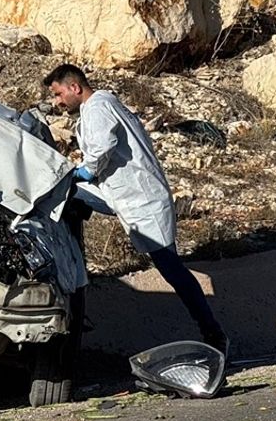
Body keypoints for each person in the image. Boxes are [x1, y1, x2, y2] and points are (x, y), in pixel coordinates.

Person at [42, 63, 230, 360]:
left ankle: (213, 333)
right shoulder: (102, 105)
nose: (58, 102)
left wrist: (84, 172)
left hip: (143, 200)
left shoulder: (98, 107)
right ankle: (75, 279)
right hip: (123, 195)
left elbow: (102, 148)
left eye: (59, 94)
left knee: (171, 268)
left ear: (75, 87)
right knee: (71, 198)